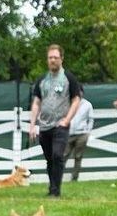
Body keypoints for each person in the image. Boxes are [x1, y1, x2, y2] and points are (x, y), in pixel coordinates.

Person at [29, 44, 83, 198]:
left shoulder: (69, 78)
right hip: (44, 126)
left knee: (58, 156)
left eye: (56, 57)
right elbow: (36, 103)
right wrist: (33, 125)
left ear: (61, 59)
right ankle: (52, 187)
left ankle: (55, 191)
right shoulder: (42, 80)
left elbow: (76, 99)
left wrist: (67, 119)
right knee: (49, 159)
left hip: (60, 125)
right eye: (50, 57)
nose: (53, 60)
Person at [66, 94, 95, 181]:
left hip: (82, 133)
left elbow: (91, 119)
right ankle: (57, 176)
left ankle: (75, 177)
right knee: (63, 155)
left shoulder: (87, 104)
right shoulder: (66, 103)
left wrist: (88, 132)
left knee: (78, 156)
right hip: (68, 133)